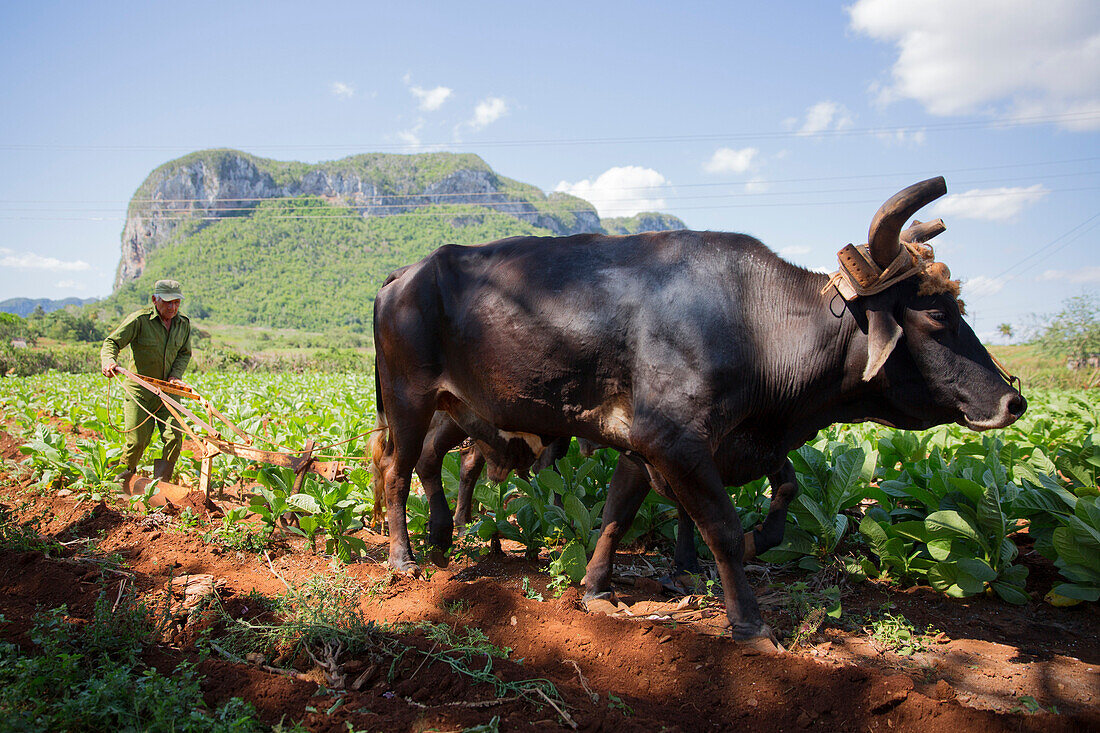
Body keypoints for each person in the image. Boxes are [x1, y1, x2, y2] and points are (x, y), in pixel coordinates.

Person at [100, 279, 192, 486]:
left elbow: (185, 353)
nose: (172, 307)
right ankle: (119, 483)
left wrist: (175, 374)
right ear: (154, 300)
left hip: (168, 391)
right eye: (168, 302)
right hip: (139, 390)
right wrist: (109, 361)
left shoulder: (183, 324)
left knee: (175, 438)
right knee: (136, 442)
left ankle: (160, 486)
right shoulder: (140, 320)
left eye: (176, 302)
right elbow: (112, 342)